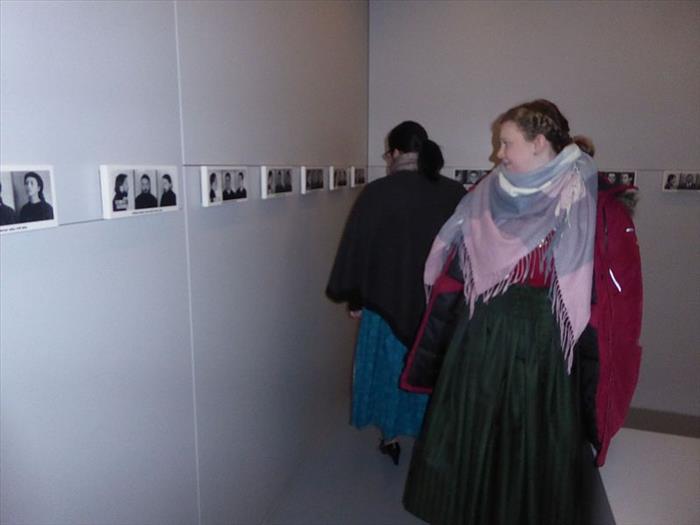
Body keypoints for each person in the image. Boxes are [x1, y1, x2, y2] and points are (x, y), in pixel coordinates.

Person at [403, 100, 597, 525]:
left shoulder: (574, 185)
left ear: (539, 142)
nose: (498, 154)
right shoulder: (493, 187)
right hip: (483, 324)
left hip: (538, 334)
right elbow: (458, 245)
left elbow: (575, 266)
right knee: (472, 418)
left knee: (527, 427)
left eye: (507, 143)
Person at [326, 121, 466, 466]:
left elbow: (357, 250)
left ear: (397, 153)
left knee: (388, 372)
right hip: (437, 307)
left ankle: (389, 437)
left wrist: (355, 299)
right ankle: (429, 436)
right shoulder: (454, 193)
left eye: (388, 153)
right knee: (430, 370)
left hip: (383, 305)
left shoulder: (377, 193)